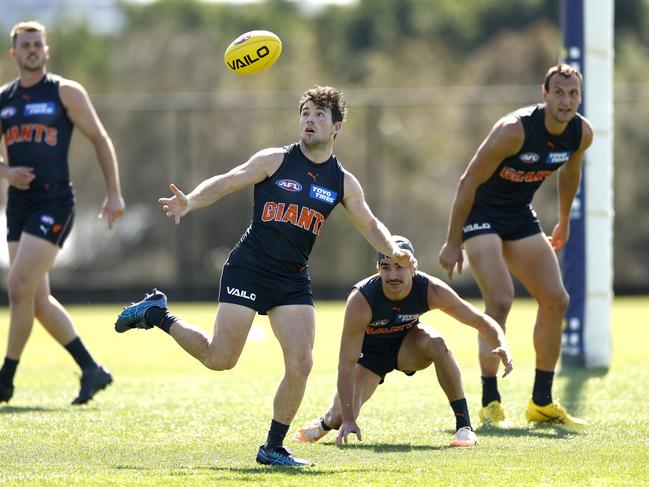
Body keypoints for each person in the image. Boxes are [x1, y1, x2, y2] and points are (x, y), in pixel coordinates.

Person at [114, 85, 417, 467]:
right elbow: (227, 180)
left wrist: (393, 249)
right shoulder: (275, 160)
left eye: (320, 115)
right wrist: (189, 200)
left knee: (302, 362)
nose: (310, 120)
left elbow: (369, 224)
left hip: (291, 279)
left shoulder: (342, 182)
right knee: (220, 359)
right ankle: (157, 313)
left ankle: (273, 447)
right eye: (305, 112)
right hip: (249, 268)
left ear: (336, 127)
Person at [438, 64, 593, 430]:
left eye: (573, 94)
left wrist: (565, 220)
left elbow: (571, 174)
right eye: (559, 92)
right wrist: (452, 240)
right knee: (502, 299)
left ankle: (541, 402)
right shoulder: (514, 130)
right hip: (482, 214)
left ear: (579, 98)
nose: (566, 100)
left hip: (519, 215)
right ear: (545, 94)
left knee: (556, 300)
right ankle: (490, 401)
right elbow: (468, 181)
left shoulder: (580, 133)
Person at [0, 21, 125, 405]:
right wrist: (5, 171)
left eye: (38, 43)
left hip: (54, 202)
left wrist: (114, 194)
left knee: (19, 288)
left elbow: (100, 139)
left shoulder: (64, 92)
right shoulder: (3, 99)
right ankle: (91, 369)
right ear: (14, 53)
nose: (33, 49)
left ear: (47, 50)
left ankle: (5, 380)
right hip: (19, 205)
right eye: (25, 44)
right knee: (35, 301)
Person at [294, 236, 512, 448]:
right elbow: (346, 364)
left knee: (437, 343)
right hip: (370, 358)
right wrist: (349, 419)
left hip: (408, 348)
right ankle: (323, 423)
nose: (393, 275)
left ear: (412, 267)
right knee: (340, 418)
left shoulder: (429, 288)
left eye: (399, 267)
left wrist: (501, 342)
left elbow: (478, 319)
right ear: (377, 268)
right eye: (386, 267)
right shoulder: (361, 300)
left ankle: (464, 427)